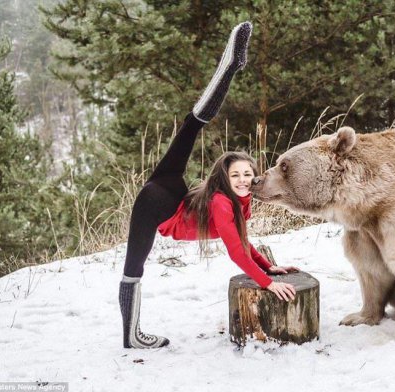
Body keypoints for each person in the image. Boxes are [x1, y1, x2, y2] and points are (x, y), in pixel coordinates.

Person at [119, 22, 298, 349]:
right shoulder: (221, 203)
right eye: (236, 176)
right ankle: (130, 336)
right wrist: (267, 284)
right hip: (157, 207)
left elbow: (242, 241)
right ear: (224, 179)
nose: (244, 180)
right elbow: (234, 250)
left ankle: (229, 67)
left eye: (248, 174)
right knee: (133, 268)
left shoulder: (237, 200)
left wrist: (268, 265)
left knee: (191, 126)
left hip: (169, 190)